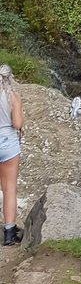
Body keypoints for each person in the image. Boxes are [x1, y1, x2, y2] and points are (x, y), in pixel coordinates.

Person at [0, 63, 23, 245]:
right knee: (9, 188)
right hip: (8, 143)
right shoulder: (12, 97)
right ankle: (9, 233)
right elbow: (18, 124)